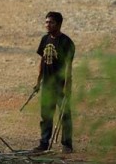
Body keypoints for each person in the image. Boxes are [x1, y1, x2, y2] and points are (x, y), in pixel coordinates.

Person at [32, 11, 75, 153]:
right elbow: (42, 61)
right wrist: (38, 82)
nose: (47, 25)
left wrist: (68, 87)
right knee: (46, 116)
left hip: (60, 86)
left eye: (51, 22)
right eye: (46, 22)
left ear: (59, 24)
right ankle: (44, 143)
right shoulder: (45, 39)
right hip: (47, 85)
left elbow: (69, 67)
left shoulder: (67, 42)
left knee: (65, 115)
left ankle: (67, 144)